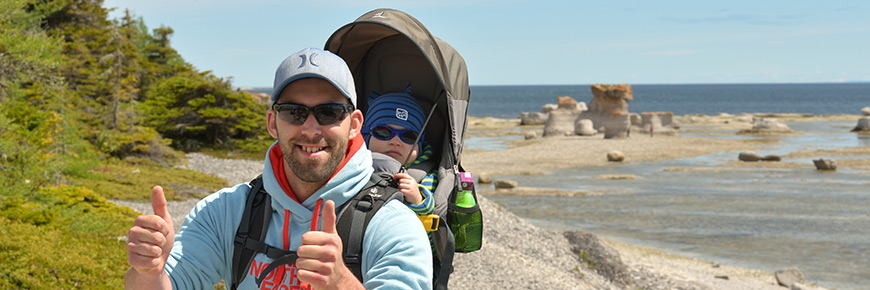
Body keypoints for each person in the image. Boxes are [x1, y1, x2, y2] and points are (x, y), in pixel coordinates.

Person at [124, 48, 433, 290]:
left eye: (329, 112)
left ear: (354, 125)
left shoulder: (393, 227)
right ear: (273, 122)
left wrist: (340, 282)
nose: (311, 129)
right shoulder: (226, 211)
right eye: (294, 112)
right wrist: (147, 271)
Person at [360, 85, 437, 218]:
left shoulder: (425, 176)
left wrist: (417, 198)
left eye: (409, 136)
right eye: (383, 132)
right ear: (366, 135)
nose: (395, 142)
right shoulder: (355, 166)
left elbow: (432, 210)